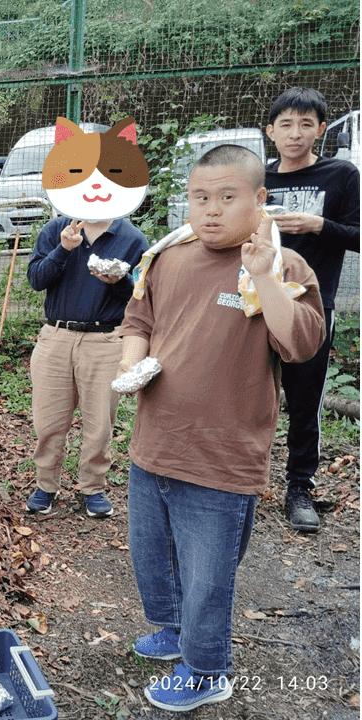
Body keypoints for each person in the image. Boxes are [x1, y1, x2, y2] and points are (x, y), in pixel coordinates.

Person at [118, 145, 324, 712]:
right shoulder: (169, 256)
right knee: (152, 553)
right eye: (199, 197)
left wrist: (264, 278)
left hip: (223, 456)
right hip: (156, 438)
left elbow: (302, 344)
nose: (210, 210)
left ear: (260, 200)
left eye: (228, 197)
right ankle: (173, 629)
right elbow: (138, 320)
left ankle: (208, 667)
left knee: (208, 570)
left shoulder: (281, 264)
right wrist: (128, 363)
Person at [263, 87, 361, 532]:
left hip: (311, 307)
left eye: (306, 124)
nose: (295, 133)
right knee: (245, 393)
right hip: (254, 304)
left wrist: (319, 225)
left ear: (321, 129)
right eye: (286, 124)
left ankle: (299, 486)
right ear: (271, 131)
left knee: (305, 401)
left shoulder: (340, 175)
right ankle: (242, 477)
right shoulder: (258, 179)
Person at [24, 216, 148, 518]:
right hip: (56, 335)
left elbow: (140, 297)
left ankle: (93, 488)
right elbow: (36, 279)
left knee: (100, 423)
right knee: (48, 420)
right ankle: (46, 485)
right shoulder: (56, 229)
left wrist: (120, 280)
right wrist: (63, 250)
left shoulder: (132, 238)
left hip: (105, 339)